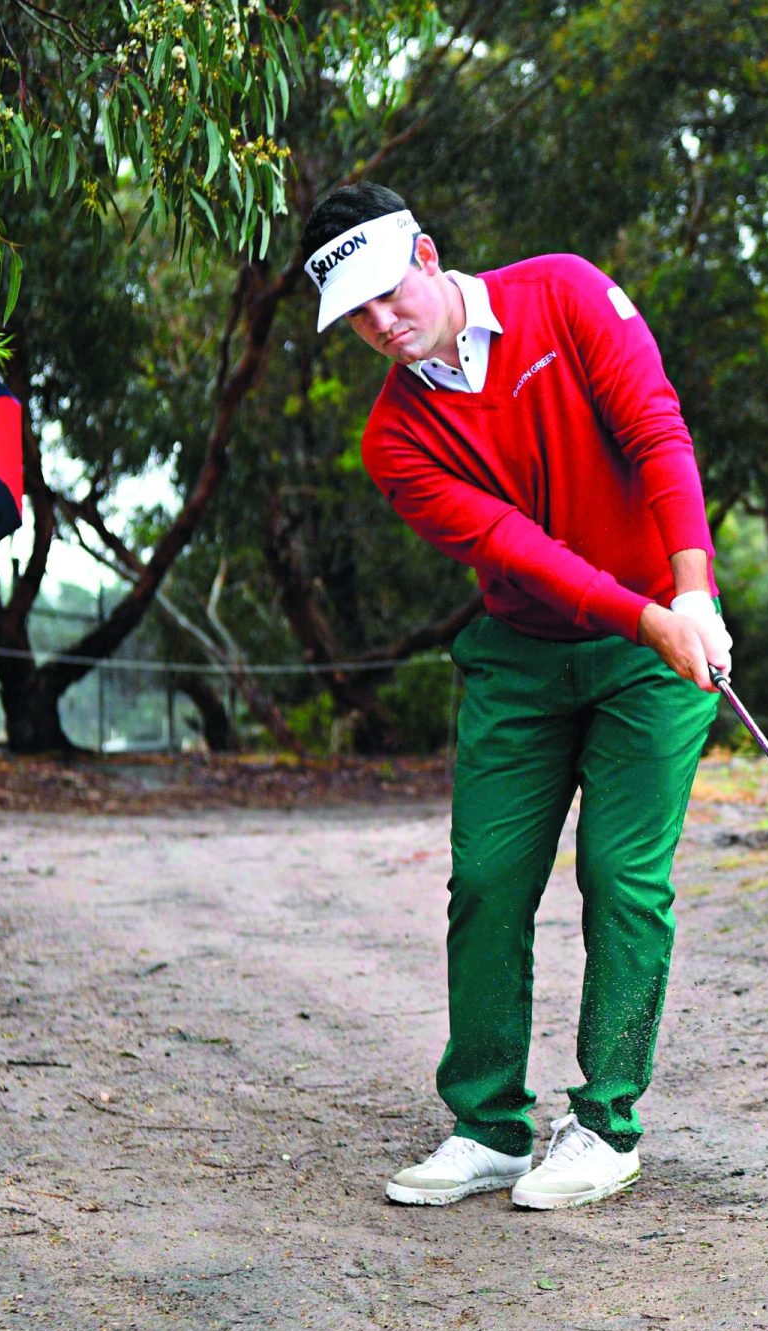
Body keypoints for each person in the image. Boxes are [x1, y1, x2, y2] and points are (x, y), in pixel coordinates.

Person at [298, 182, 731, 1209]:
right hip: (525, 654)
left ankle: (607, 1125)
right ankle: (489, 1124)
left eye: (387, 294)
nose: (382, 324)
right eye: (356, 316)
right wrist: (645, 613)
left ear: (430, 254)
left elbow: (657, 434)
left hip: (657, 649)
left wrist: (690, 591)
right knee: (487, 879)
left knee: (622, 876)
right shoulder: (395, 440)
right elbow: (515, 550)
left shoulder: (567, 295)